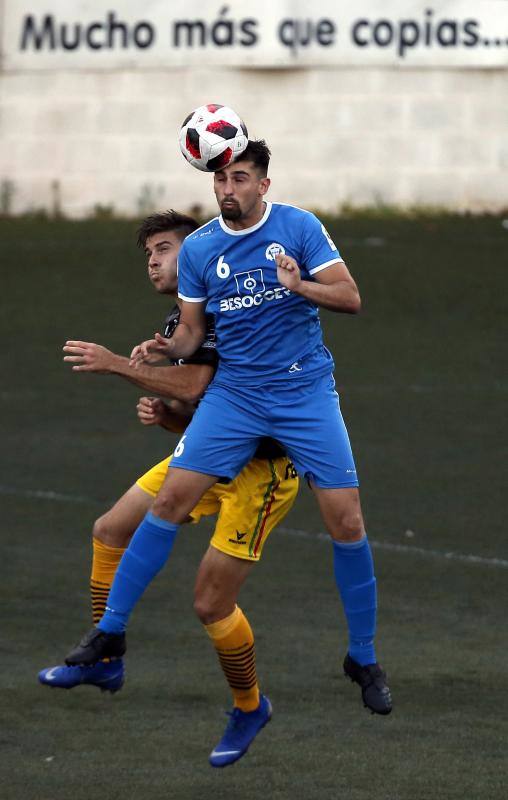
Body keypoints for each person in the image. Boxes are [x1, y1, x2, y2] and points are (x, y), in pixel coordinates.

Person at [65, 141, 393, 768]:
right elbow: (190, 334)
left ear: (263, 184)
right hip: (237, 398)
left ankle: (364, 657)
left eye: (240, 178)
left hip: (303, 395)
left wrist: (301, 287)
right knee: (162, 504)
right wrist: (165, 352)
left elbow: (350, 297)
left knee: (347, 522)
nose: (228, 189)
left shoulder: (297, 227)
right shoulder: (202, 250)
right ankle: (108, 635)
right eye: (220, 179)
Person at [38, 211, 299, 748]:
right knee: (110, 529)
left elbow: (197, 379)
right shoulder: (179, 325)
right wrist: (170, 417)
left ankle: (250, 707)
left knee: (210, 604)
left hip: (262, 471)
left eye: (162, 249)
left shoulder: (231, 307)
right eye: (147, 254)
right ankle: (106, 658)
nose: (152, 261)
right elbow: (199, 401)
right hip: (207, 454)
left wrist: (117, 364)